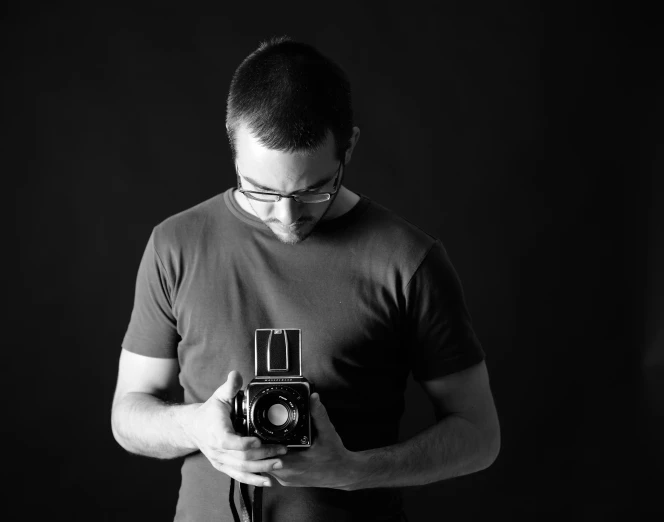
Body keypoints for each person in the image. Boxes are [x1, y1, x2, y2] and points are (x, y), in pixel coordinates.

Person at [111, 36, 500, 522]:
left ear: (349, 147)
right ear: (233, 143)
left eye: (314, 190)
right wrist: (193, 426)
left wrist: (351, 470)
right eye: (260, 190)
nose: (287, 216)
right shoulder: (175, 245)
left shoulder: (409, 261)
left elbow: (479, 434)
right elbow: (128, 414)